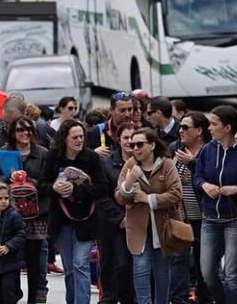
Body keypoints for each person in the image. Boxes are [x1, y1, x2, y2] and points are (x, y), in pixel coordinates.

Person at [40, 119, 110, 304]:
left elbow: (103, 187)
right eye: (75, 137)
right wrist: (54, 187)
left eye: (81, 136)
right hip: (61, 219)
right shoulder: (53, 156)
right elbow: (42, 185)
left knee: (81, 265)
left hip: (86, 219)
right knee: (70, 269)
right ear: (64, 139)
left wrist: (76, 190)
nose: (79, 140)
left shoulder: (91, 158)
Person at [194, 105, 237, 304]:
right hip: (210, 219)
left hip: (236, 220)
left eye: (214, 124)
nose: (209, 128)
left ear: (227, 127)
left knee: (232, 275)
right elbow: (197, 177)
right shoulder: (207, 149)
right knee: (208, 273)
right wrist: (204, 185)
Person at [115, 128, 183, 304]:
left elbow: (176, 193)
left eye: (139, 144)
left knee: (162, 274)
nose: (135, 148)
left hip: (163, 228)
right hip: (138, 228)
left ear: (152, 145)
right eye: (132, 145)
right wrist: (129, 181)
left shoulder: (166, 164)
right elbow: (120, 198)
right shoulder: (130, 165)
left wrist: (148, 199)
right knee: (141, 270)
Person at [0, 117, 52, 304]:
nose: (25, 133)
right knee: (11, 259)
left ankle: (34, 298)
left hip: (36, 215)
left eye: (29, 129)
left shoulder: (43, 153)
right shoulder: (4, 152)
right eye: (20, 130)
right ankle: (13, 295)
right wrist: (8, 178)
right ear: (13, 132)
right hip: (9, 214)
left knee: (34, 261)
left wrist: (28, 182)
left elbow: (48, 184)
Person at [169, 112, 211, 304]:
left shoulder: (210, 151)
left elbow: (212, 180)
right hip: (181, 218)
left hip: (205, 217)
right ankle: (179, 300)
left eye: (185, 127)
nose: (180, 131)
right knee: (178, 262)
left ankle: (205, 298)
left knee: (205, 264)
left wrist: (192, 164)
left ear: (199, 131)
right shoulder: (175, 149)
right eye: (180, 127)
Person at [97, 122, 137, 304]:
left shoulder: (145, 161)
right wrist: (120, 218)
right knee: (118, 266)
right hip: (115, 226)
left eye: (133, 138)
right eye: (125, 138)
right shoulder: (106, 164)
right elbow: (102, 197)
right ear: (118, 140)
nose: (130, 142)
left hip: (140, 223)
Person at [86, 91, 136, 157]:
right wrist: (93, 153)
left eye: (130, 109)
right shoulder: (96, 132)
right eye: (122, 110)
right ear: (111, 110)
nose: (127, 114)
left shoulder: (139, 131)